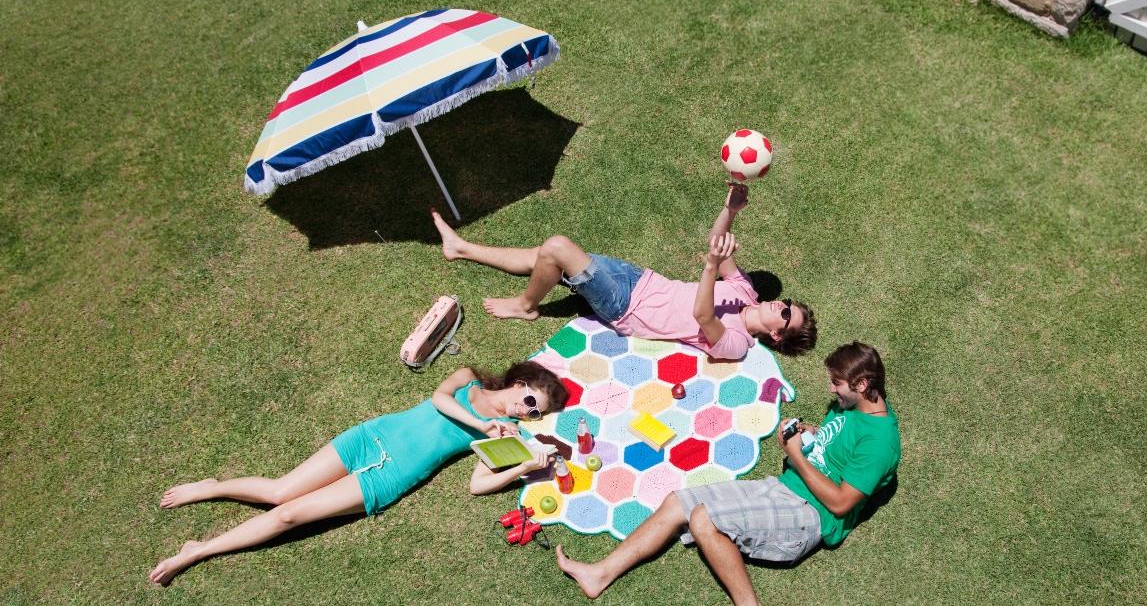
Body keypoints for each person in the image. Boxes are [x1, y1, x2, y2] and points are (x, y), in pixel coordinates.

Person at [149, 361, 568, 586]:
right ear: (519, 382)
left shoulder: (508, 434)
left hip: (388, 478)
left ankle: (198, 550)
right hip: (369, 439)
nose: (528, 412)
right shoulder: (469, 379)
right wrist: (481, 424)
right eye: (532, 401)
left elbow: (479, 485)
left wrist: (525, 467)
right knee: (280, 492)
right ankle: (214, 487)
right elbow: (439, 398)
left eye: (537, 413)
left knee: (287, 516)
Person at [555, 342, 900, 605]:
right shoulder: (852, 408)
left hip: (808, 516)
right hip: (780, 488)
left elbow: (841, 504)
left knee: (705, 520)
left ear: (862, 383)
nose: (830, 389)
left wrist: (797, 456)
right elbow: (835, 443)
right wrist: (807, 432)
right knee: (678, 502)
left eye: (837, 383)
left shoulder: (879, 442)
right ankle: (599, 574)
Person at [432, 183, 816, 360]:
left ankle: (525, 305)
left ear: (778, 335)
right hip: (640, 279)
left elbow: (702, 315)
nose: (780, 304)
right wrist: (730, 211)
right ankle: (461, 248)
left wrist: (712, 268)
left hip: (627, 308)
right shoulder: (746, 291)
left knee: (557, 247)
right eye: (787, 302)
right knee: (545, 258)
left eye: (786, 314)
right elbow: (716, 240)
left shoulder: (737, 344)